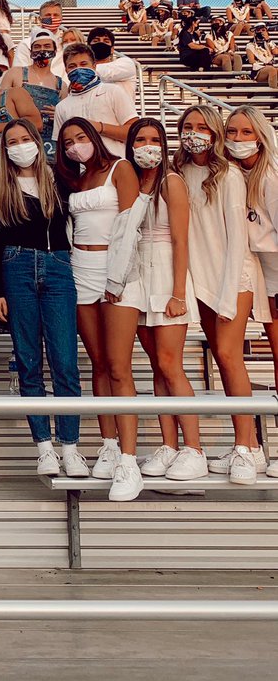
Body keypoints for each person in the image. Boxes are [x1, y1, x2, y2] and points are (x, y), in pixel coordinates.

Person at [0, 120, 87, 478]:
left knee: (64, 361)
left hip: (57, 266)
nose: (19, 146)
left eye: (25, 139)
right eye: (11, 141)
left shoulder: (58, 179)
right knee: (28, 362)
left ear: (36, 140)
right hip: (15, 267)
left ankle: (71, 447)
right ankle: (44, 447)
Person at [173, 105, 269, 484]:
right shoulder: (178, 173)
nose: (193, 133)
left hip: (233, 278)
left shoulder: (227, 174)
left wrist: (228, 294)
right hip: (202, 282)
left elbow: (236, 241)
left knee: (230, 357)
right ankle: (249, 446)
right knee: (222, 357)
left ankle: (246, 447)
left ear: (214, 133)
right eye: (187, 126)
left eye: (201, 127)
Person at [56, 118, 145, 500]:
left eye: (80, 138)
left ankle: (129, 460)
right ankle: (108, 444)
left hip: (117, 270)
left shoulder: (121, 168)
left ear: (93, 138)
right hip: (80, 270)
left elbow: (130, 224)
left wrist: (117, 278)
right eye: (68, 142)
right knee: (97, 363)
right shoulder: (75, 179)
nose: (76, 146)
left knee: (119, 366)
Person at [125, 119, 208, 481]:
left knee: (172, 363)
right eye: (140, 139)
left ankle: (194, 448)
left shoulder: (171, 182)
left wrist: (177, 293)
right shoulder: (130, 182)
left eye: (154, 139)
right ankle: (169, 444)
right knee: (156, 365)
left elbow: (179, 240)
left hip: (166, 276)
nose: (147, 145)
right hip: (138, 278)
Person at [224, 105, 278, 478]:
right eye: (232, 132)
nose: (238, 139)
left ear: (260, 135)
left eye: (245, 132)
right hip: (258, 274)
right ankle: (252, 447)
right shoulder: (233, 175)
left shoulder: (271, 178)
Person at [52, 43, 137, 157]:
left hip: (116, 166)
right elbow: (61, 146)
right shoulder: (62, 107)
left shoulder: (112, 91)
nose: (78, 69)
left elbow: (135, 132)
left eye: (83, 64)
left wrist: (100, 127)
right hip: (81, 172)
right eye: (72, 66)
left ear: (94, 66)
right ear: (66, 70)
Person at [0, 29, 64, 159]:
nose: (41, 50)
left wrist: (59, 113)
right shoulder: (14, 73)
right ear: (30, 52)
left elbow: (66, 117)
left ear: (55, 51)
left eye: (47, 46)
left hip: (49, 147)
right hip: (19, 143)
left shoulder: (61, 84)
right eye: (37, 47)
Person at [86, 27, 137, 100]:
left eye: (106, 41)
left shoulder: (126, 64)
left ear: (112, 49)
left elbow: (107, 72)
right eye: (96, 41)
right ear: (88, 48)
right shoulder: (84, 71)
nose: (101, 43)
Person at [247, 24, 278, 88]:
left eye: (263, 30)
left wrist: (268, 40)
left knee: (273, 69)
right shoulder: (250, 45)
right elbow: (251, 61)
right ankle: (273, 91)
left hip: (271, 67)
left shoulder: (269, 42)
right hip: (258, 70)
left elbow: (276, 52)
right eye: (259, 30)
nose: (261, 32)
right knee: (272, 69)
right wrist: (265, 64)